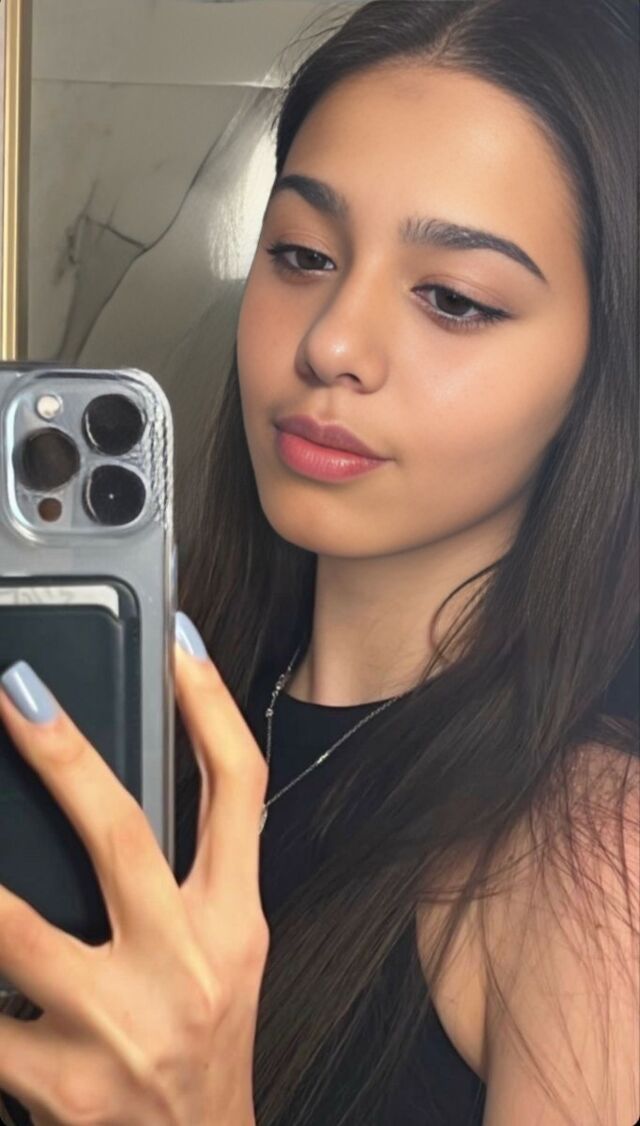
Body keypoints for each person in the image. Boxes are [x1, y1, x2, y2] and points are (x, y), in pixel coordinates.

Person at [0, 0, 638, 1123]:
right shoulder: (135, 715)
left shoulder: (591, 857)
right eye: (301, 254)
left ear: (599, 369)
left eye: (453, 299)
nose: (330, 342)